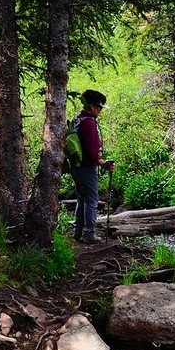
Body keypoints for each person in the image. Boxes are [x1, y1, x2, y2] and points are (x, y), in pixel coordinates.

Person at [70, 89, 115, 244]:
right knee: (91, 200)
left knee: (82, 199)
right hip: (86, 168)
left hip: (77, 167)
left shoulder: (79, 119)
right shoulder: (89, 123)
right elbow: (91, 151)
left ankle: (78, 232)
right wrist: (103, 163)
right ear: (92, 107)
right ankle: (89, 234)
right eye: (99, 107)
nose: (100, 110)